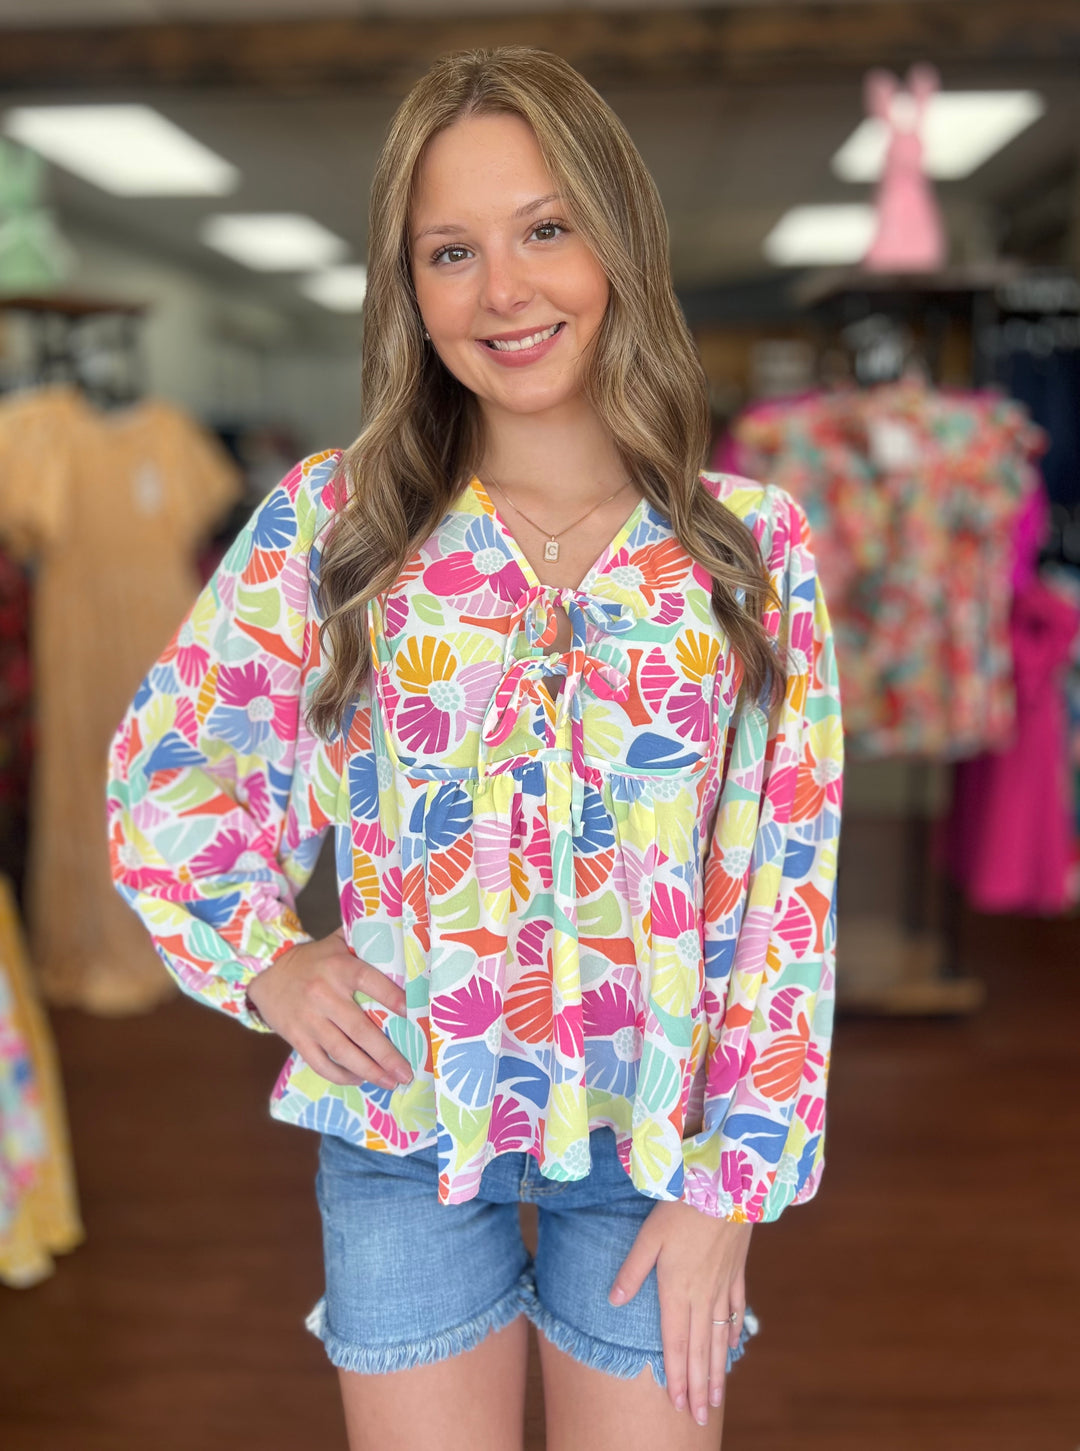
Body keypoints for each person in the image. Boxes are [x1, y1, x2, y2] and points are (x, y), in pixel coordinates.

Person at [106, 45, 842, 1451]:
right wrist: (264, 957)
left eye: (545, 230)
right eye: (452, 251)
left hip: (655, 1145)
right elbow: (175, 765)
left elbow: (785, 890)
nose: (504, 290)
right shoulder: (337, 525)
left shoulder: (748, 554)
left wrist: (733, 1185)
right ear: (412, 291)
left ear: (619, 243)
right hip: (403, 1127)